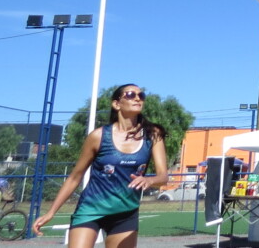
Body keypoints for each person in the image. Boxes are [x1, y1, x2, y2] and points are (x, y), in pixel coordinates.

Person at [30, 84, 169, 248]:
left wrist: (149, 180)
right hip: (91, 209)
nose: (138, 98)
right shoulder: (98, 136)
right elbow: (75, 177)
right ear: (116, 104)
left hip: (125, 213)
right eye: (131, 94)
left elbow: (163, 177)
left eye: (141, 95)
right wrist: (51, 212)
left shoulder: (153, 134)